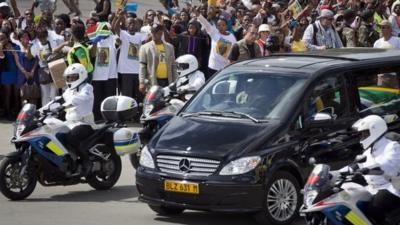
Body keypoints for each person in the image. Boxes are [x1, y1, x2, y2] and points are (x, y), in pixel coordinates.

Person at [336, 115, 400, 224]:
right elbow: (355, 166)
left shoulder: (392, 146)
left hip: (392, 187)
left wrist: (369, 168)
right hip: (372, 188)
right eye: (362, 134)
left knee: (375, 206)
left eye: (365, 133)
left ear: (375, 129)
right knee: (350, 202)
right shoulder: (368, 152)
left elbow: (390, 165)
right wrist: (334, 174)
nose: (362, 137)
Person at [62, 63, 94, 176]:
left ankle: (86, 161)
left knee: (70, 137)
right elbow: (59, 99)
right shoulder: (68, 91)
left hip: (85, 123)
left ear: (81, 75)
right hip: (70, 123)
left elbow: (83, 97)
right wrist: (42, 109)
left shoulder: (87, 88)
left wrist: (68, 103)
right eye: (68, 78)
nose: (70, 80)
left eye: (73, 77)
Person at [139, 24, 177, 92]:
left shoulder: (170, 47)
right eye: (152, 32)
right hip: (153, 81)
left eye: (156, 32)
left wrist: (175, 81)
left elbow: (173, 66)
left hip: (168, 81)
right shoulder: (144, 47)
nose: (153, 34)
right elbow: (142, 66)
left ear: (161, 33)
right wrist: (142, 82)